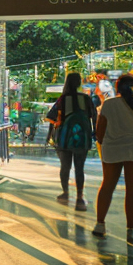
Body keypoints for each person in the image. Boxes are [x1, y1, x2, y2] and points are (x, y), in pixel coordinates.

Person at [92, 72, 133, 241]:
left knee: (107, 186)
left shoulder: (109, 105)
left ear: (117, 88)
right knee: (132, 191)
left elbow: (99, 133)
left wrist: (108, 140)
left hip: (112, 149)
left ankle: (100, 224)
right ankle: (131, 229)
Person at [49, 68, 95, 210]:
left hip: (65, 138)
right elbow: (94, 116)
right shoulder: (86, 99)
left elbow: (51, 117)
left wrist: (52, 134)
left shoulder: (62, 99)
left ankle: (65, 192)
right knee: (79, 168)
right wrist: (95, 132)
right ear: (79, 83)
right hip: (83, 137)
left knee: (65, 167)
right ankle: (80, 197)